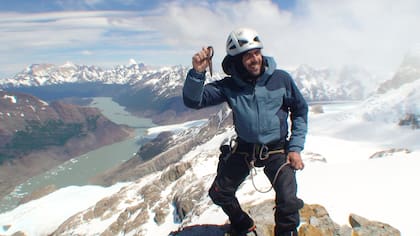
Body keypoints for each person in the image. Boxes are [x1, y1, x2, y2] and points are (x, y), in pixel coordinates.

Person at [182, 27, 308, 236]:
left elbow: (300, 110)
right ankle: (242, 223)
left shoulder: (281, 79)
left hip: (277, 149)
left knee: (288, 200)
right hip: (245, 148)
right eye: (248, 56)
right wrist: (197, 73)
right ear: (237, 60)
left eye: (257, 52)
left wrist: (294, 148)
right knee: (220, 192)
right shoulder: (229, 86)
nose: (255, 59)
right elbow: (194, 101)